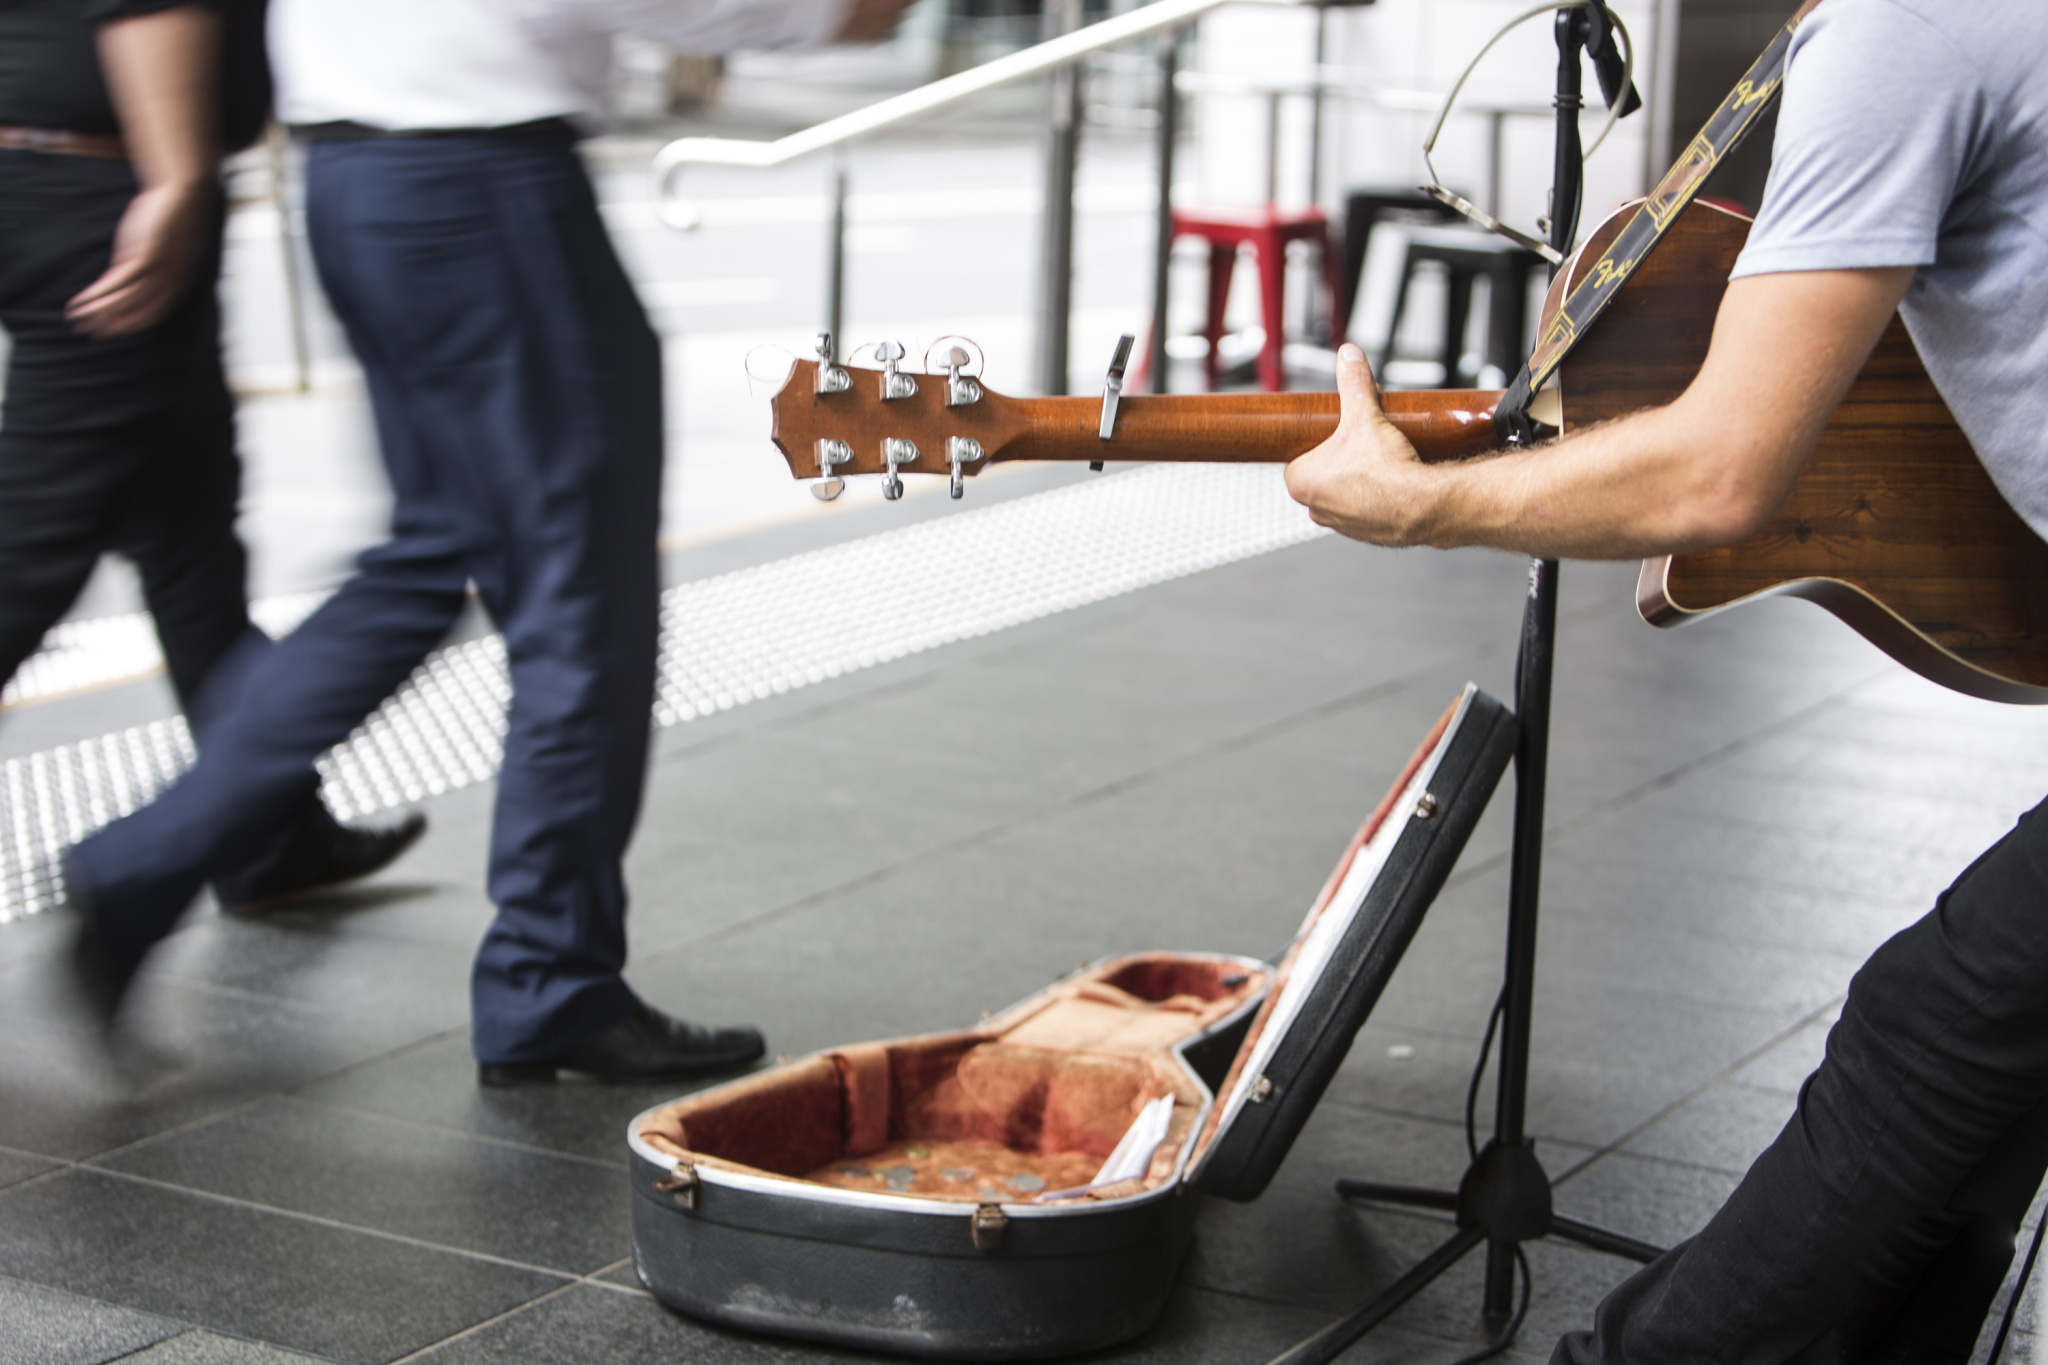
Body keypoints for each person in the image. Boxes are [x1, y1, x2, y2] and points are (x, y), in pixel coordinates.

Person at [1286, 0, 2048, 1359]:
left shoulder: (1902, 30)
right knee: (1993, 1049)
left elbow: (1718, 473)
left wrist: (1419, 510)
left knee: (1943, 1032)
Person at [60, 0, 919, 1088]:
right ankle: (545, 978)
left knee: (421, 562)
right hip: (485, 191)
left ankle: (145, 865)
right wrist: (840, 15)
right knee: (580, 607)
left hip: (356, 180)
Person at [0, 0, 423, 927]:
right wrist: (180, 172)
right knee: (29, 555)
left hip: (75, 170)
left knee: (191, 538)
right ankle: (266, 834)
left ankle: (271, 835)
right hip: (110, 187)